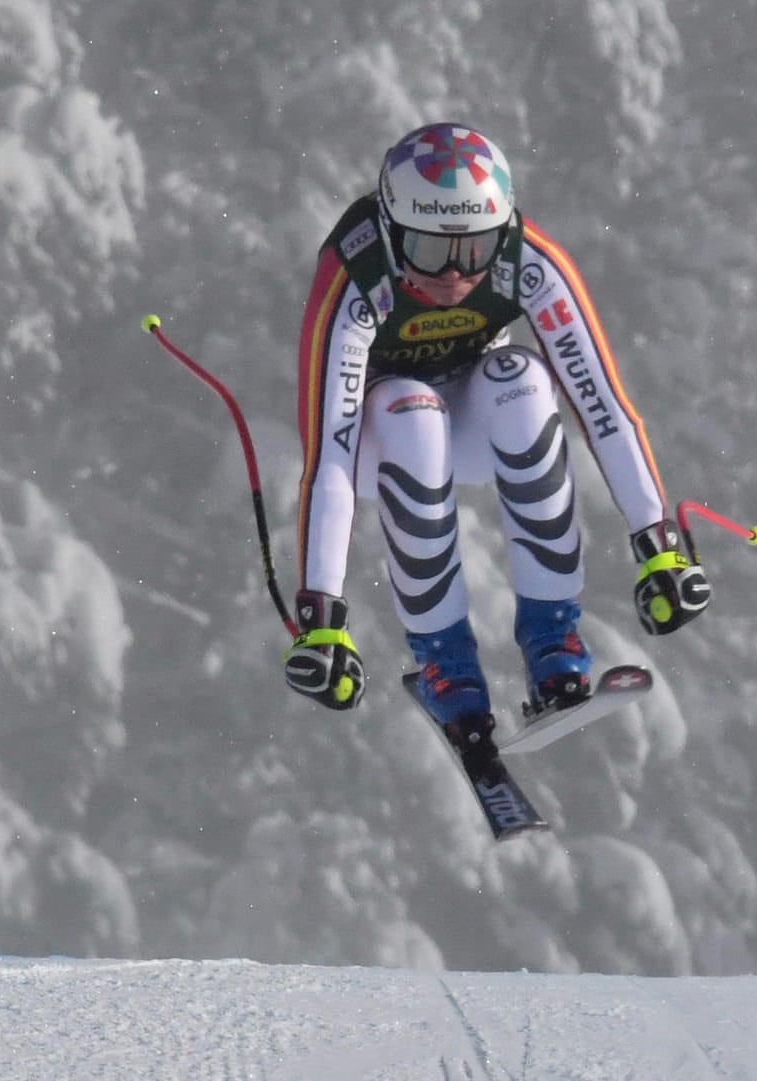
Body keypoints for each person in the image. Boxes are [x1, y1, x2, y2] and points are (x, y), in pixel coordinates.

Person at [281, 121, 710, 766]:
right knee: (412, 412)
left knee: (525, 380)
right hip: (382, 439)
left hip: (475, 413)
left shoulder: (528, 260)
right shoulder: (356, 273)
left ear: (502, 235)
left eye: (475, 250)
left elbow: (605, 407)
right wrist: (321, 614)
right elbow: (330, 462)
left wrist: (661, 548)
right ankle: (447, 669)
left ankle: (553, 644)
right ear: (392, 233)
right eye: (428, 249)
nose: (455, 273)